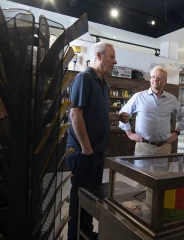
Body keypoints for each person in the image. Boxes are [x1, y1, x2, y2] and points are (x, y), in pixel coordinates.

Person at [66, 42, 129, 240]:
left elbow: (98, 115)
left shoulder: (103, 83)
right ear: (99, 56)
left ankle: (86, 232)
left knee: (90, 199)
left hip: (96, 152)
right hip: (84, 153)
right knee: (78, 200)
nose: (115, 61)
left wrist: (117, 118)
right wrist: (86, 149)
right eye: (111, 57)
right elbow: (75, 114)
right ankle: (74, 237)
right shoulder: (84, 78)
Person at [119, 65, 184, 156]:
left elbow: (181, 115)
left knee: (162, 171)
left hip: (164, 147)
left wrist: (176, 132)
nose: (155, 79)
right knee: (140, 171)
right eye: (153, 77)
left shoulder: (171, 99)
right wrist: (130, 134)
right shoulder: (138, 97)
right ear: (150, 79)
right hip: (144, 147)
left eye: (159, 77)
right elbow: (122, 115)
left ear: (165, 81)